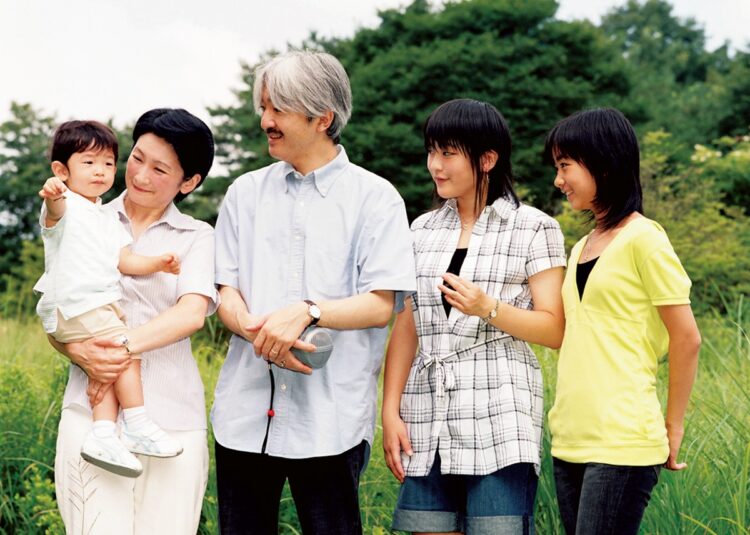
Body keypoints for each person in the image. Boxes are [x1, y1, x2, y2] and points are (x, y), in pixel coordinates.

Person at [212, 50, 417, 535]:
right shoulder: (244, 192)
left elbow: (380, 305)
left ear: (322, 118)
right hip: (243, 414)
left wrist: (307, 312)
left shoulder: (376, 198)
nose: (265, 120)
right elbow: (226, 291)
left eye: (277, 110)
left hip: (330, 420)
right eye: (263, 107)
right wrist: (256, 329)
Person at [382, 98, 567, 535]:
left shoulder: (534, 227)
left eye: (448, 153)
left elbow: (554, 328)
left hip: (501, 414)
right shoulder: (421, 230)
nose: (435, 165)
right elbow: (408, 326)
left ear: (487, 159)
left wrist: (489, 308)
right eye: (432, 152)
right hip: (426, 415)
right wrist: (390, 410)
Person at [48, 108, 218, 535]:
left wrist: (119, 348)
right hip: (91, 415)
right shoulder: (84, 217)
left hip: (172, 419)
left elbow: (191, 312)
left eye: (159, 168)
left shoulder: (198, 236)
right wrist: (77, 350)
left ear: (189, 182)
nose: (139, 175)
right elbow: (56, 303)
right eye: (137, 158)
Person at [544, 107, 701, 535]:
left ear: (604, 162)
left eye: (565, 166)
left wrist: (674, 422)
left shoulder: (645, 239)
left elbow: (687, 338)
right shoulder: (579, 248)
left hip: (624, 439)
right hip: (571, 438)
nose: (558, 180)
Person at [36, 120, 184, 479]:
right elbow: (53, 216)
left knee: (110, 364)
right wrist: (54, 195)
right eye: (88, 163)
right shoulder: (66, 204)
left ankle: (103, 433)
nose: (101, 171)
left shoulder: (105, 217)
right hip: (75, 303)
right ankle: (136, 422)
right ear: (62, 170)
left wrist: (158, 263)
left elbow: (125, 262)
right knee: (125, 354)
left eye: (107, 163)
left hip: (96, 306)